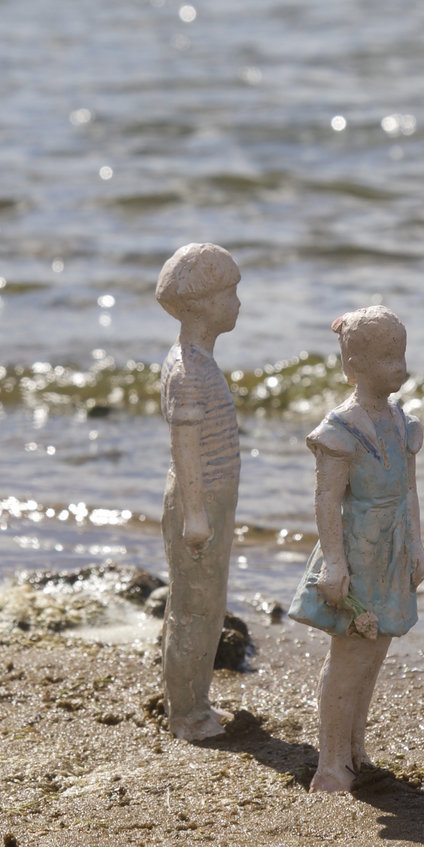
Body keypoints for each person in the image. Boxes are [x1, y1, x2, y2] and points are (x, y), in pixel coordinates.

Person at [289, 306, 424, 791]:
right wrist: (334, 562)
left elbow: (409, 490)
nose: (399, 367)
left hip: (391, 549)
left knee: (374, 654)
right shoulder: (341, 430)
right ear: (354, 365)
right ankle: (330, 760)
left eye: (401, 355)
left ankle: (354, 746)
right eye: (387, 358)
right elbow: (327, 499)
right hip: (356, 552)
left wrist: (416, 546)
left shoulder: (403, 424)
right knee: (349, 656)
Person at [156, 242, 242, 741]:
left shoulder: (200, 362)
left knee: (206, 603)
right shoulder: (189, 370)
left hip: (213, 495)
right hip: (200, 499)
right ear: (199, 304)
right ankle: (187, 713)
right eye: (229, 294)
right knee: (195, 608)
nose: (237, 304)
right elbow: (184, 444)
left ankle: (194, 699)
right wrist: (194, 514)